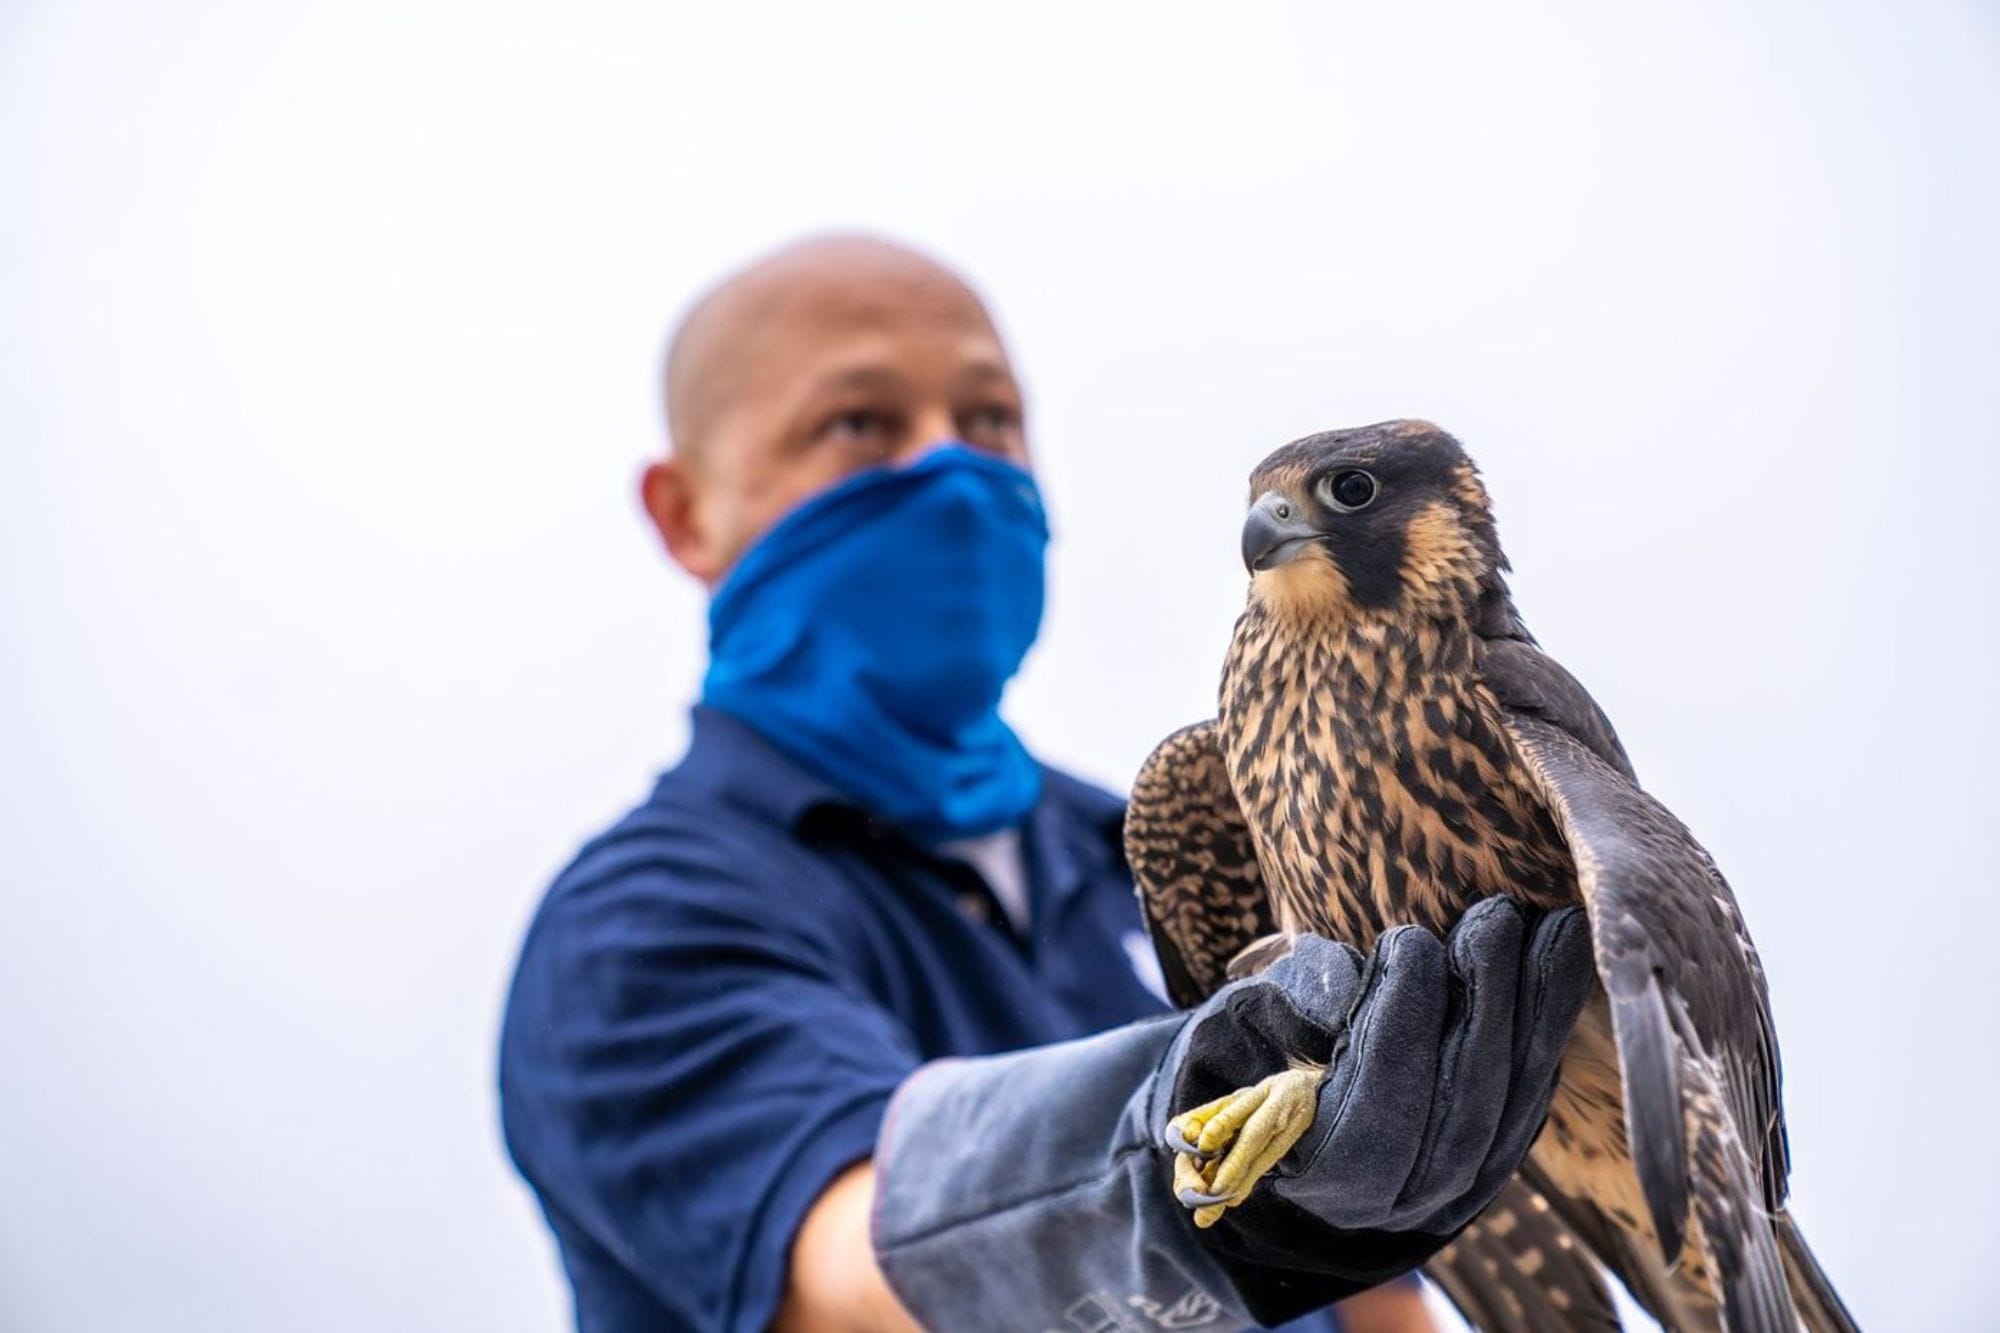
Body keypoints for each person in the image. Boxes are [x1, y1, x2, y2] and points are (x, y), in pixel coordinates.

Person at [497, 234, 1594, 1333]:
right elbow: (868, 1282)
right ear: (685, 511)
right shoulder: (636, 925)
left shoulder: (1158, 841)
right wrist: (1221, 1195)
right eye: (858, 424)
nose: (952, 471)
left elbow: (1380, 1309)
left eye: (988, 422)